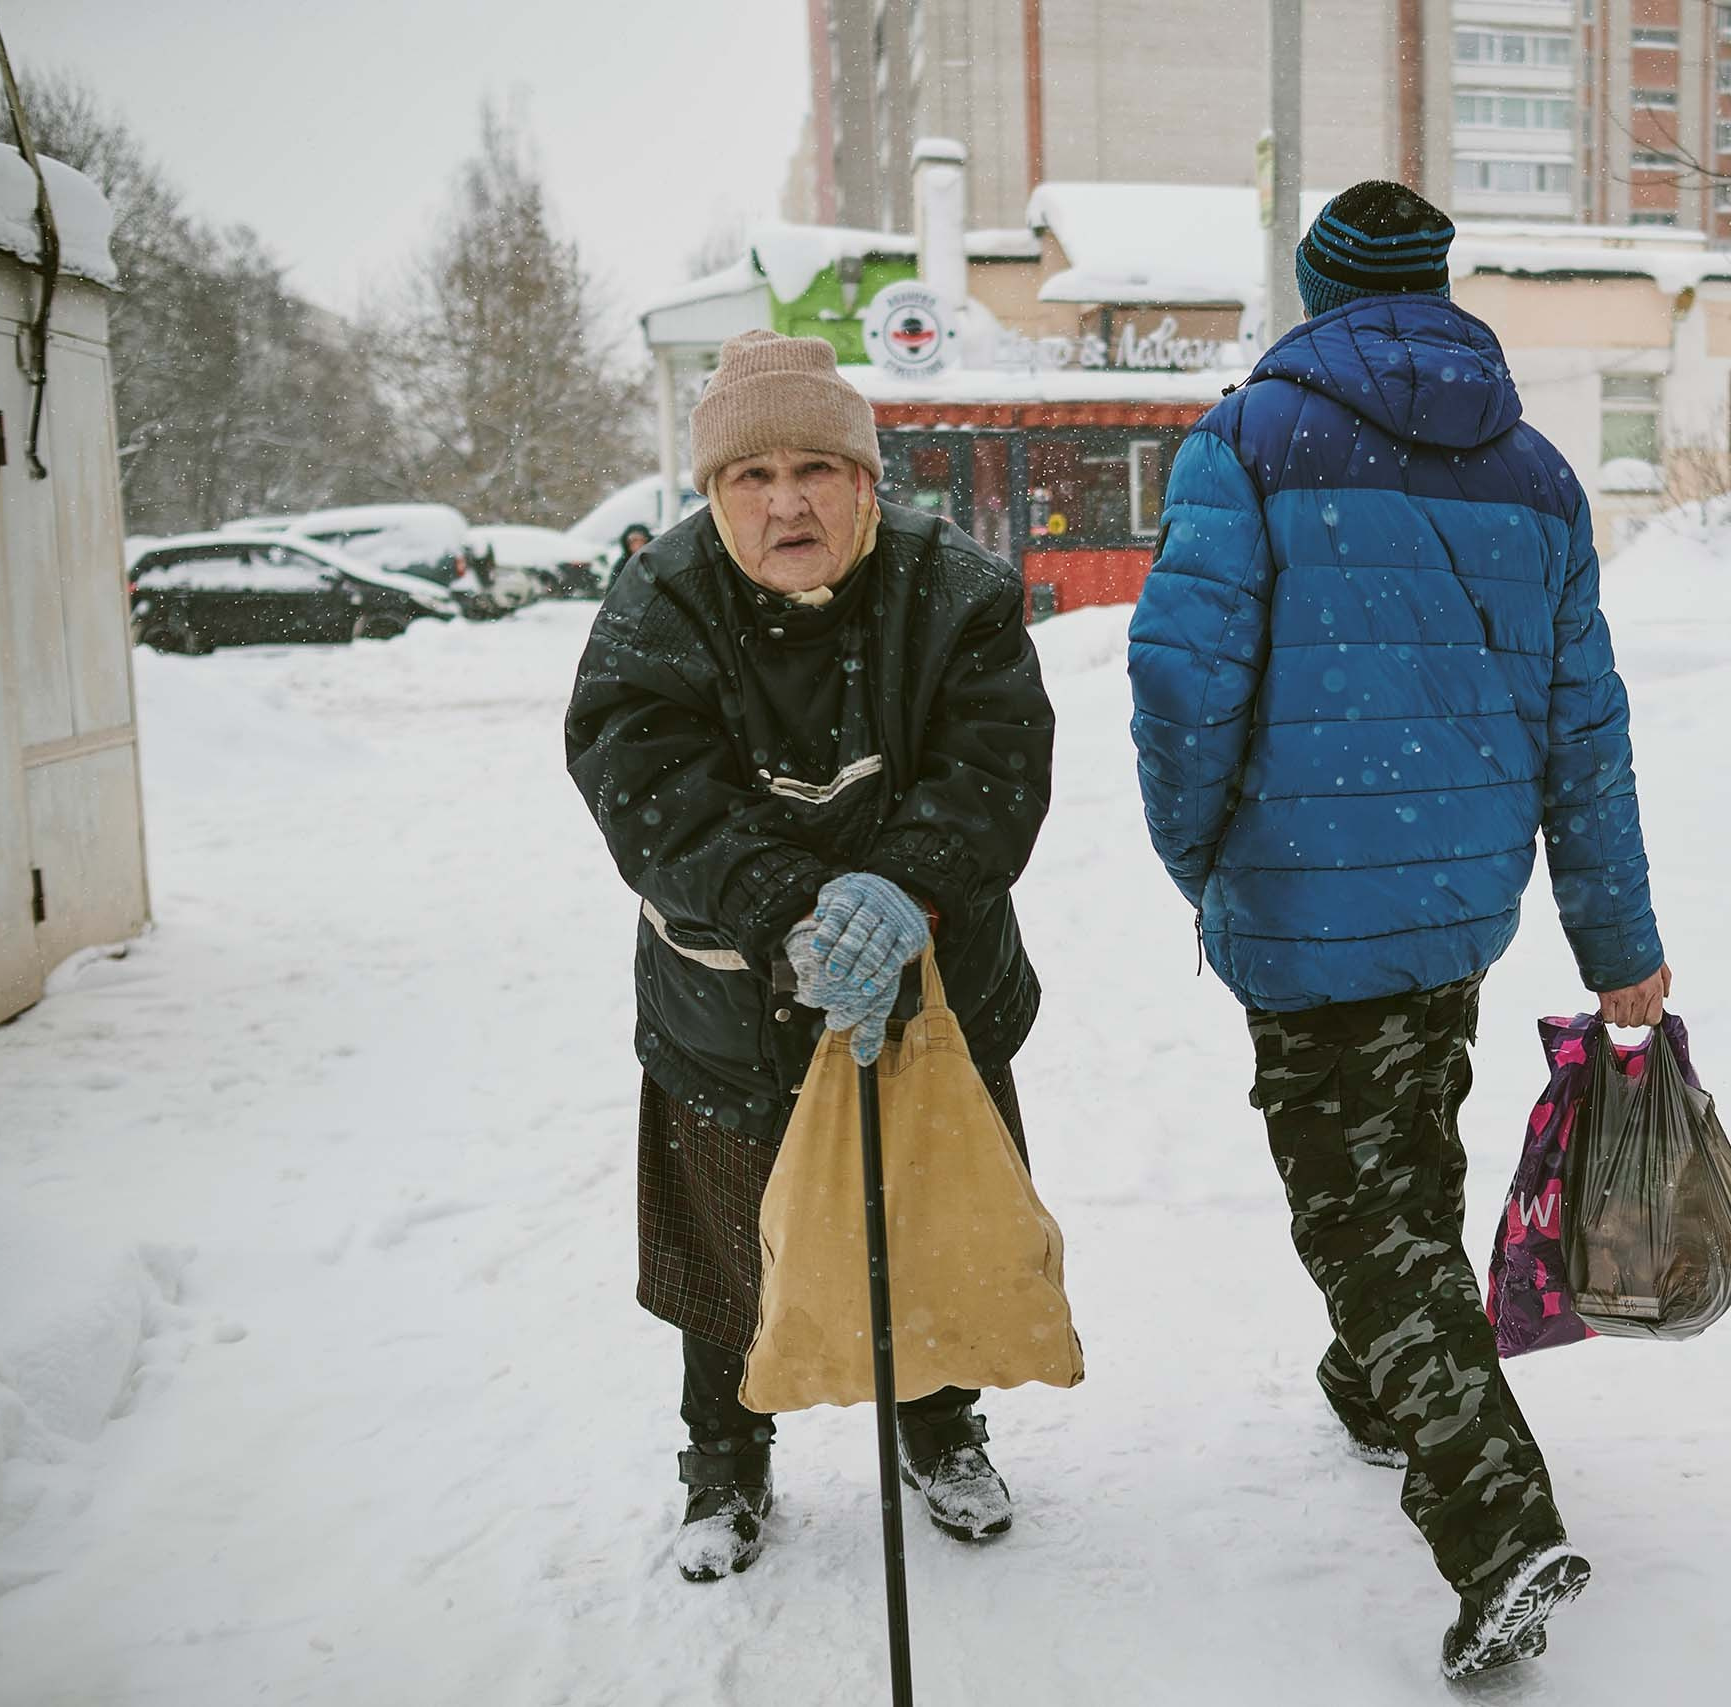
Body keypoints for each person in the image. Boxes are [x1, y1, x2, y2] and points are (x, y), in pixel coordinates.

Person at [1127, 180, 1670, 1679]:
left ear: (1317, 290)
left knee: (1366, 1215)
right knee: (1404, 1148)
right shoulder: (1539, 471)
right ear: (1439, 282)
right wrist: (1616, 929)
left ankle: (1496, 1526)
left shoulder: (1250, 439)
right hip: (1454, 897)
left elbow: (1181, 684)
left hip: (1308, 894)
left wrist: (1206, 854)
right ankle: (1374, 1383)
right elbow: (1587, 730)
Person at [565, 330, 1056, 1582]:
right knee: (728, 1253)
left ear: (865, 482)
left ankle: (938, 1426)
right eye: (751, 476)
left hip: (929, 987)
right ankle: (725, 1460)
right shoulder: (660, 598)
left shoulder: (956, 590)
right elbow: (644, 781)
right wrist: (786, 903)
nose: (786, 501)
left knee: (925, 1222)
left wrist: (906, 887)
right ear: (712, 492)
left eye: (815, 470)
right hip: (727, 1005)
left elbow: (994, 765)